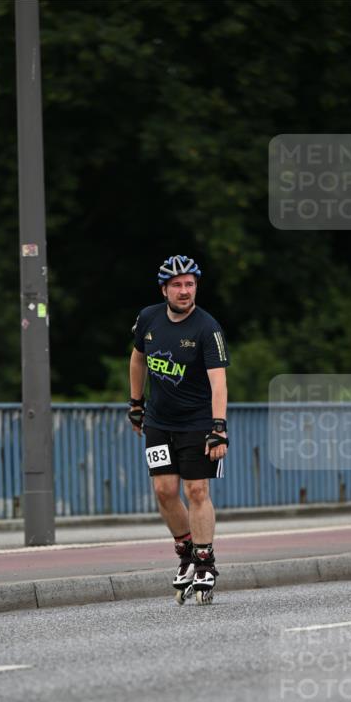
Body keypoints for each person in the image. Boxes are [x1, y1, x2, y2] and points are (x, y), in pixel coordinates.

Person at [128, 255, 230, 604]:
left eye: (190, 284)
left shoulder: (207, 327)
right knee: (164, 491)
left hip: (198, 423)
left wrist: (219, 427)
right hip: (159, 421)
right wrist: (136, 403)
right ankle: (186, 552)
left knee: (197, 491)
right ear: (164, 289)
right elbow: (138, 358)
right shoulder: (148, 318)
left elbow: (219, 383)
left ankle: (204, 560)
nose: (185, 291)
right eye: (178, 285)